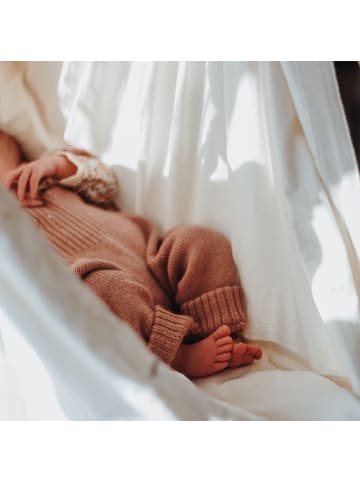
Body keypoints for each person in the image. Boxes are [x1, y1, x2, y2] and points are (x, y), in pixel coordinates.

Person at [0, 131, 262, 378]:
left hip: (153, 258)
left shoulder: (52, 178)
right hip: (103, 286)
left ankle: (218, 329)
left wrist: (56, 165)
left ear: (18, 155)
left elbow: (105, 184)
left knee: (200, 241)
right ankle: (178, 355)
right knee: (108, 287)